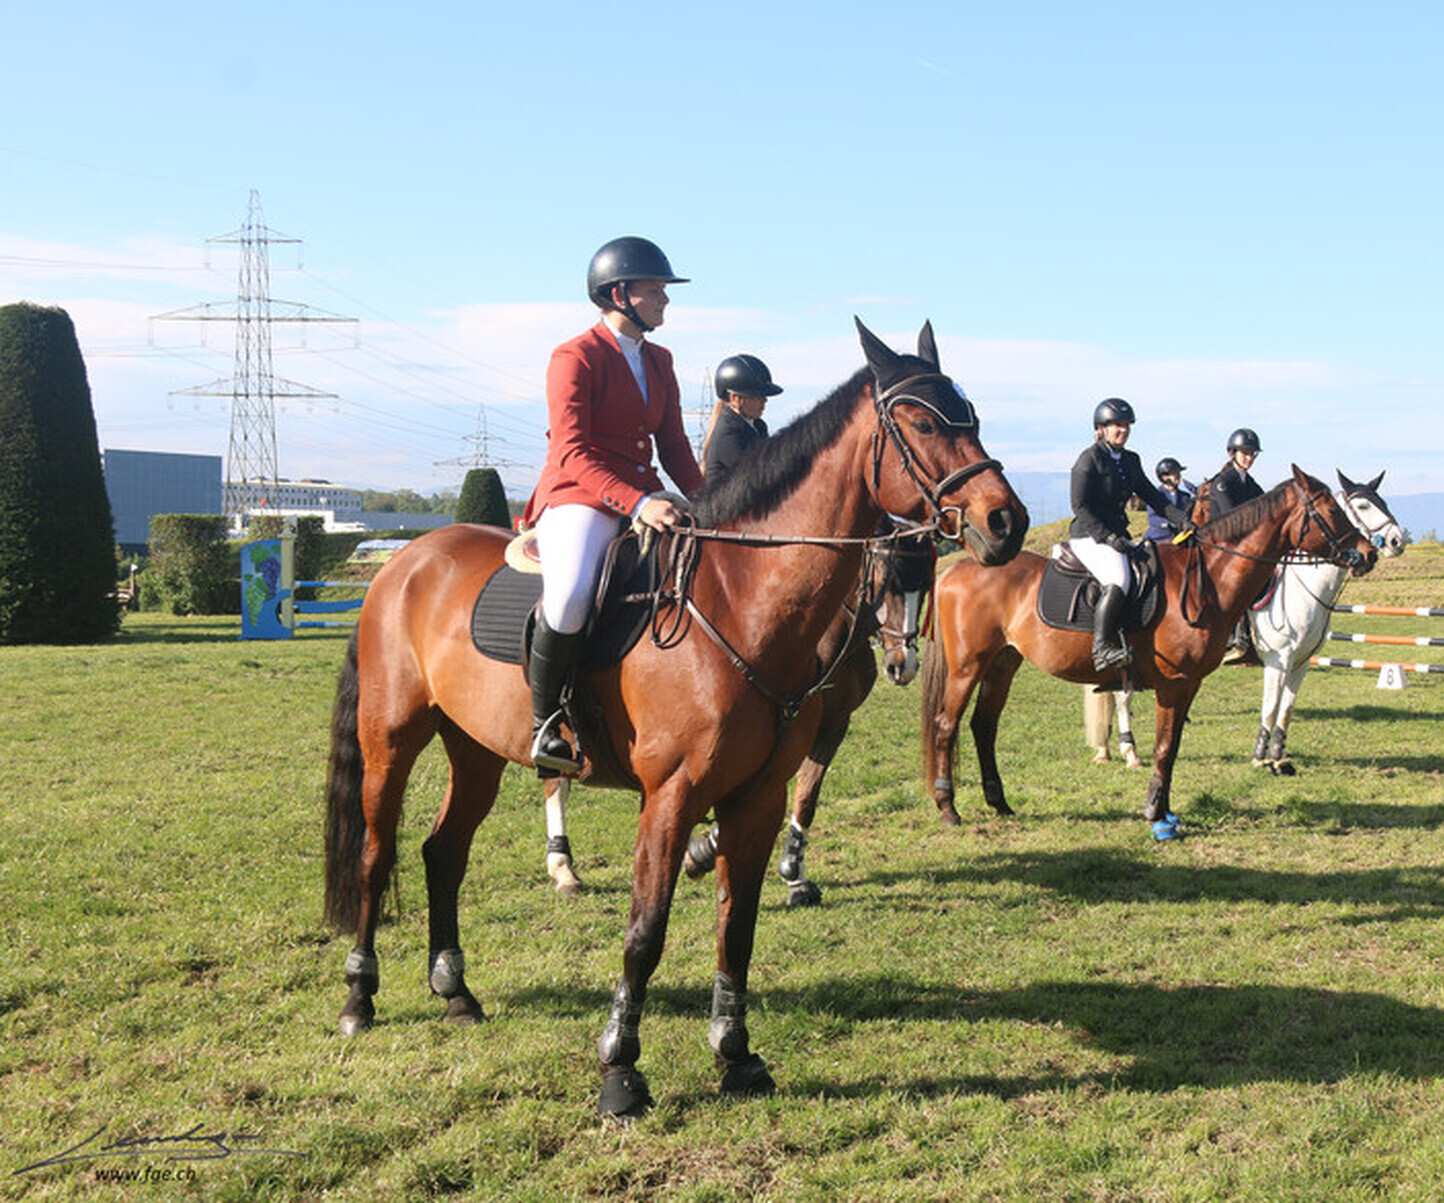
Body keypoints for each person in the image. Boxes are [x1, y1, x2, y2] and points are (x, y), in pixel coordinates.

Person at [521, 236, 705, 774]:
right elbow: (572, 450)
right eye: (656, 291)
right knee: (573, 591)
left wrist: (710, 503)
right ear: (620, 293)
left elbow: (673, 445)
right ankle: (545, 723)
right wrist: (638, 502)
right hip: (581, 497)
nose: (665, 300)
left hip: (646, 495)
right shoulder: (574, 356)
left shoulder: (661, 360)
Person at [1069, 398, 1193, 672]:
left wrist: (1183, 520)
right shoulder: (1089, 459)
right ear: (1100, 428)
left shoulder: (1131, 460)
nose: (1122, 430)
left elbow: (1153, 498)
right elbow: (1080, 505)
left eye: (1126, 425)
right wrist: (1107, 537)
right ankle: (1101, 649)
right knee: (1119, 578)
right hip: (1089, 535)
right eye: (1116, 425)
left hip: (1119, 535)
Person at [1207, 428, 1265, 663]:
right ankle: (1232, 637)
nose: (1249, 457)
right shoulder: (1223, 482)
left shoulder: (1249, 483)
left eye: (1253, 454)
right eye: (1245, 453)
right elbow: (1233, 519)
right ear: (1233, 453)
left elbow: (1266, 508)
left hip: (1239, 546)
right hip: (1218, 544)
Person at [701, 354, 782, 483]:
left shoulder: (757, 426)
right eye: (757, 396)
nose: (764, 400)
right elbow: (758, 477)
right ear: (735, 398)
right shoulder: (728, 435)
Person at [1144, 457, 1196, 542]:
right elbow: (1153, 518)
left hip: (1180, 540)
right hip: (1158, 539)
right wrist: (1171, 524)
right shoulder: (1155, 495)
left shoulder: (1185, 496)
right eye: (1175, 473)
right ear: (1164, 476)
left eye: (1179, 473)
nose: (1178, 476)